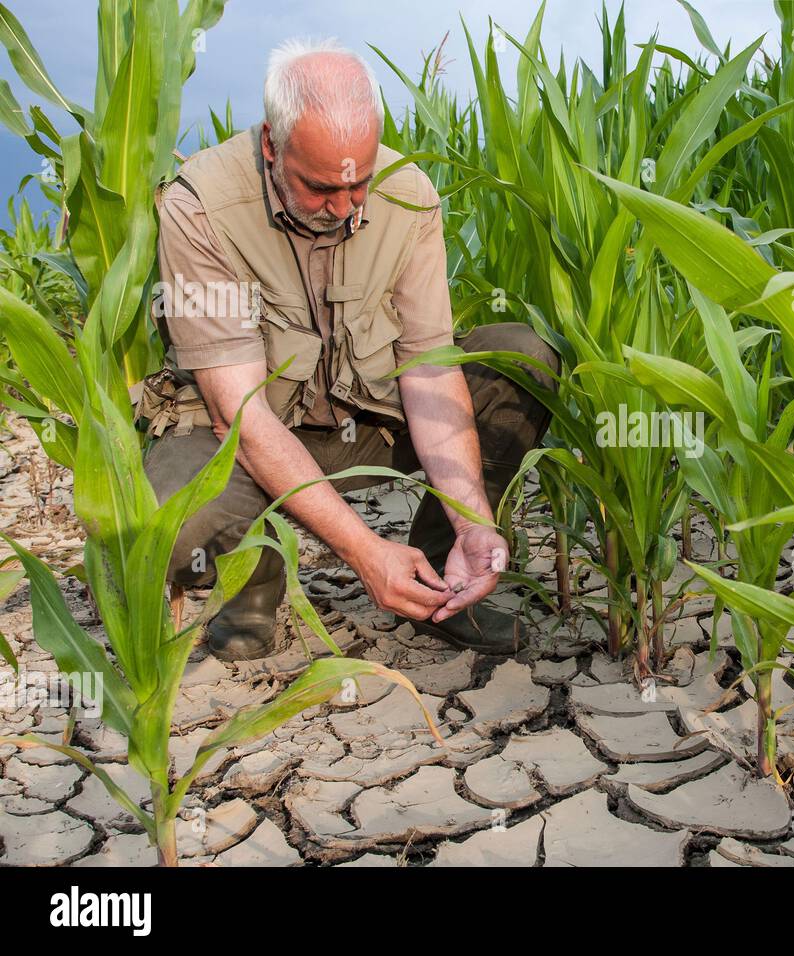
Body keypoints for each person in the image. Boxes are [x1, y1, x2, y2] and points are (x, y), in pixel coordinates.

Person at [135, 37, 558, 661]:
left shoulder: (407, 194)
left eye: (359, 184)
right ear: (273, 146)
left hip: (368, 424)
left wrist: (473, 520)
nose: (345, 207)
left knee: (520, 359)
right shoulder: (201, 207)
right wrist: (365, 553)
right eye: (319, 189)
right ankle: (251, 591)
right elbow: (239, 418)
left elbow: (431, 373)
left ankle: (442, 581)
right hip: (246, 438)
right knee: (165, 520)